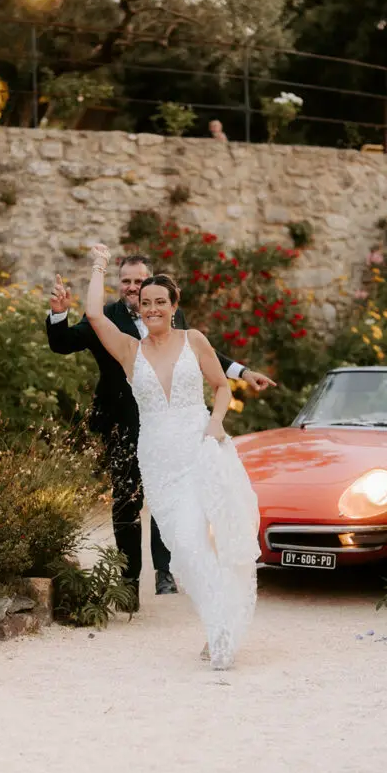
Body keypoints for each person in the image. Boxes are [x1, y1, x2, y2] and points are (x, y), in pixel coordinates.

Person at [46, 254, 274, 609]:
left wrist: (242, 373)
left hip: (184, 433)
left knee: (178, 508)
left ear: (160, 293)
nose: (134, 289)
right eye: (127, 281)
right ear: (119, 284)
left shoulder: (172, 317)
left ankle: (166, 571)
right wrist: (61, 309)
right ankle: (129, 584)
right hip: (126, 428)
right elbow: (63, 342)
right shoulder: (110, 321)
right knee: (127, 504)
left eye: (140, 282)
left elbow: (201, 355)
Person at [84, 244, 260, 669]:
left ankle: (221, 632)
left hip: (200, 449)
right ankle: (219, 621)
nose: (153, 309)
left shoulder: (193, 340)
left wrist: (217, 422)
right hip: (160, 461)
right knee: (185, 546)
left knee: (210, 542)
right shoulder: (130, 351)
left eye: (161, 302)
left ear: (174, 305)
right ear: (139, 309)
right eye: (146, 304)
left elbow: (221, 387)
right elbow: (92, 315)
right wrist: (99, 264)